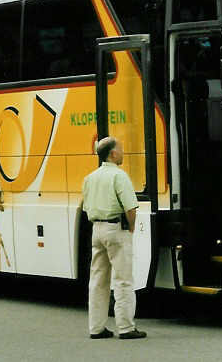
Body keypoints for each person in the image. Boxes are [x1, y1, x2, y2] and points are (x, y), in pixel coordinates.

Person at [82, 137, 146, 340]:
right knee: (123, 279)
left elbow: (86, 208)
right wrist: (132, 227)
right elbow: (130, 208)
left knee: (98, 280)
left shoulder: (90, 178)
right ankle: (126, 327)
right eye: (121, 149)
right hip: (116, 229)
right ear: (113, 154)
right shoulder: (119, 176)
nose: (123, 153)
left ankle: (96, 327)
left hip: (97, 229)